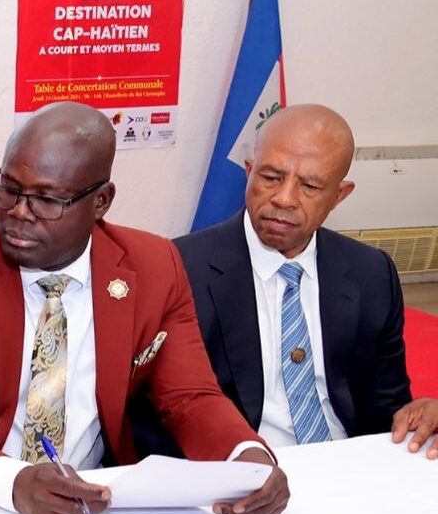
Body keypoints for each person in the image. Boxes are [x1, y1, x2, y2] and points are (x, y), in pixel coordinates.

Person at [0, 101, 289, 514]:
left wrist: (248, 462)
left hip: (89, 509)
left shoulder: (154, 266)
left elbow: (190, 397)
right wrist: (13, 483)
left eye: (47, 199)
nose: (19, 212)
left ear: (101, 201)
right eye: (9, 189)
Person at [164, 104, 437, 458]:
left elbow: (387, 405)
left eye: (310, 185)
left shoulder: (371, 272)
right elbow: (161, 412)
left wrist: (419, 414)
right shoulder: (180, 268)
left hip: (347, 462)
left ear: (340, 195)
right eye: (270, 177)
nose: (284, 198)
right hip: (239, 464)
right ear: (249, 171)